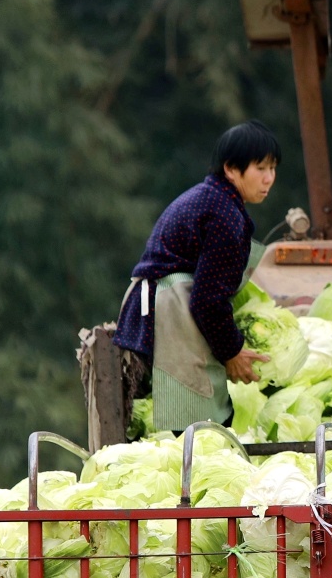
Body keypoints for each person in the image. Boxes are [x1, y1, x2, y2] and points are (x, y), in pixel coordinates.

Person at [112, 120, 279, 432]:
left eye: (273, 169)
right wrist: (232, 352)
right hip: (169, 311)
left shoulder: (214, 199)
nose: (269, 179)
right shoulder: (224, 215)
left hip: (162, 308)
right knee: (194, 428)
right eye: (260, 168)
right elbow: (208, 300)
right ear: (231, 169)